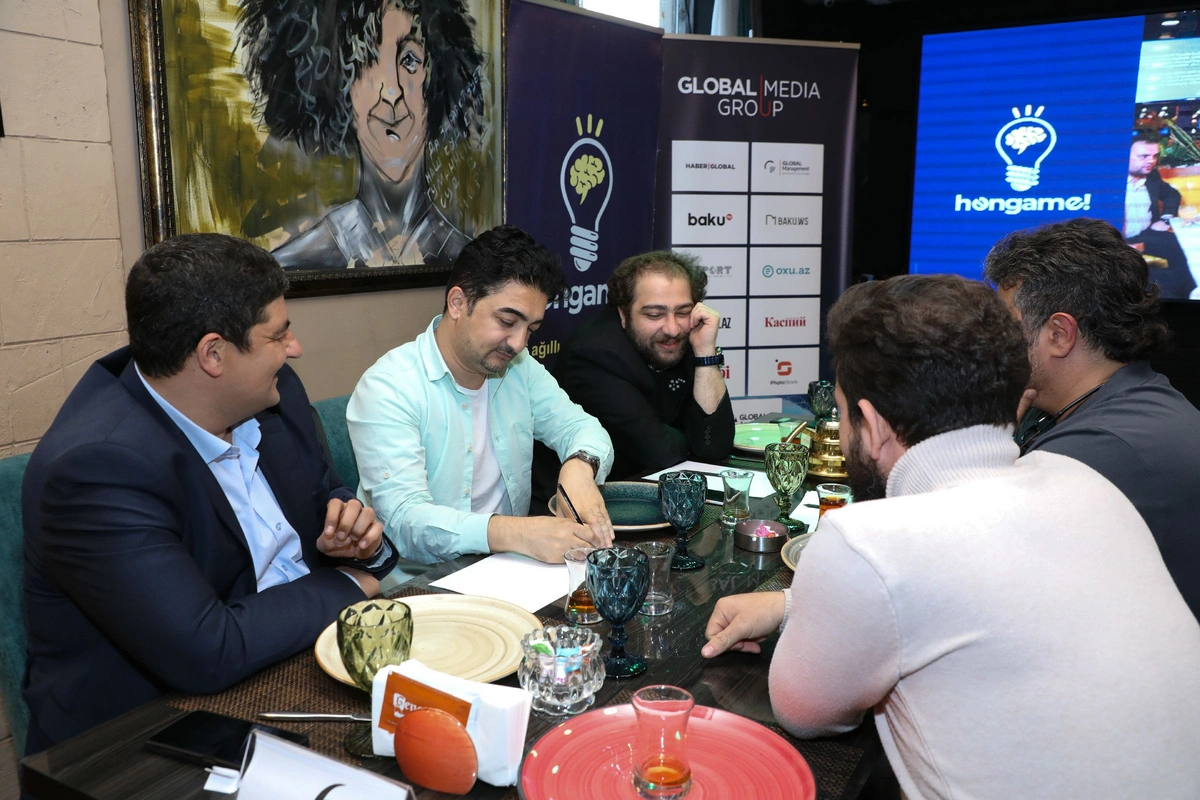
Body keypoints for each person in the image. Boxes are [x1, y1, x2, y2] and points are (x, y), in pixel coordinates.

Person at [702, 275, 1200, 799]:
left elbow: (807, 714)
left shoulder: (866, 539)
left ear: (872, 424)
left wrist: (815, 602)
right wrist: (794, 605)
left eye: (844, 413)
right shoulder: (1087, 482)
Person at [21, 234, 397, 753]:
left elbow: (332, 502)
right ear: (213, 354)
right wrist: (351, 583)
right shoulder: (97, 470)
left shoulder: (274, 394)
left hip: (299, 659)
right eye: (278, 335)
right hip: (147, 738)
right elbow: (207, 650)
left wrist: (359, 542)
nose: (294, 348)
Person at [347, 225, 615, 579]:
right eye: (507, 321)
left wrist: (579, 467)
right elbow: (405, 522)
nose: (518, 343)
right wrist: (515, 533)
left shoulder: (520, 370)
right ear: (458, 303)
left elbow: (582, 428)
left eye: (531, 329)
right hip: (419, 585)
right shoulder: (388, 387)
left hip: (510, 570)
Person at [984, 217, 1200, 618]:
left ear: (1059, 335)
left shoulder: (1101, 447)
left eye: (1005, 326)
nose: (992, 342)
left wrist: (985, 445)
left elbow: (970, 561)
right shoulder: (1121, 400)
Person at [239, 0, 486, 268]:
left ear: (437, 78)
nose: (392, 92)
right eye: (366, 62)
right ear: (337, 85)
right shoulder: (292, 264)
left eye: (409, 60)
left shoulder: (470, 264)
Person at [548, 250, 734, 480]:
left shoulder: (687, 337)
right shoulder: (594, 355)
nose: (672, 329)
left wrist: (706, 354)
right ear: (623, 313)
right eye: (655, 314)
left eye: (683, 312)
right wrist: (692, 437)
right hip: (590, 495)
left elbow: (715, 446)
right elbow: (662, 453)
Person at [1124, 135, 1196, 298]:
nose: (1151, 161)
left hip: (1147, 234)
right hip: (1120, 241)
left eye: (1155, 156)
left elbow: (1172, 194)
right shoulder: (1108, 182)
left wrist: (1165, 218)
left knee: (1184, 247)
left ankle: (1191, 294)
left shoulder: (1151, 175)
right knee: (1163, 283)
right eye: (1144, 156)